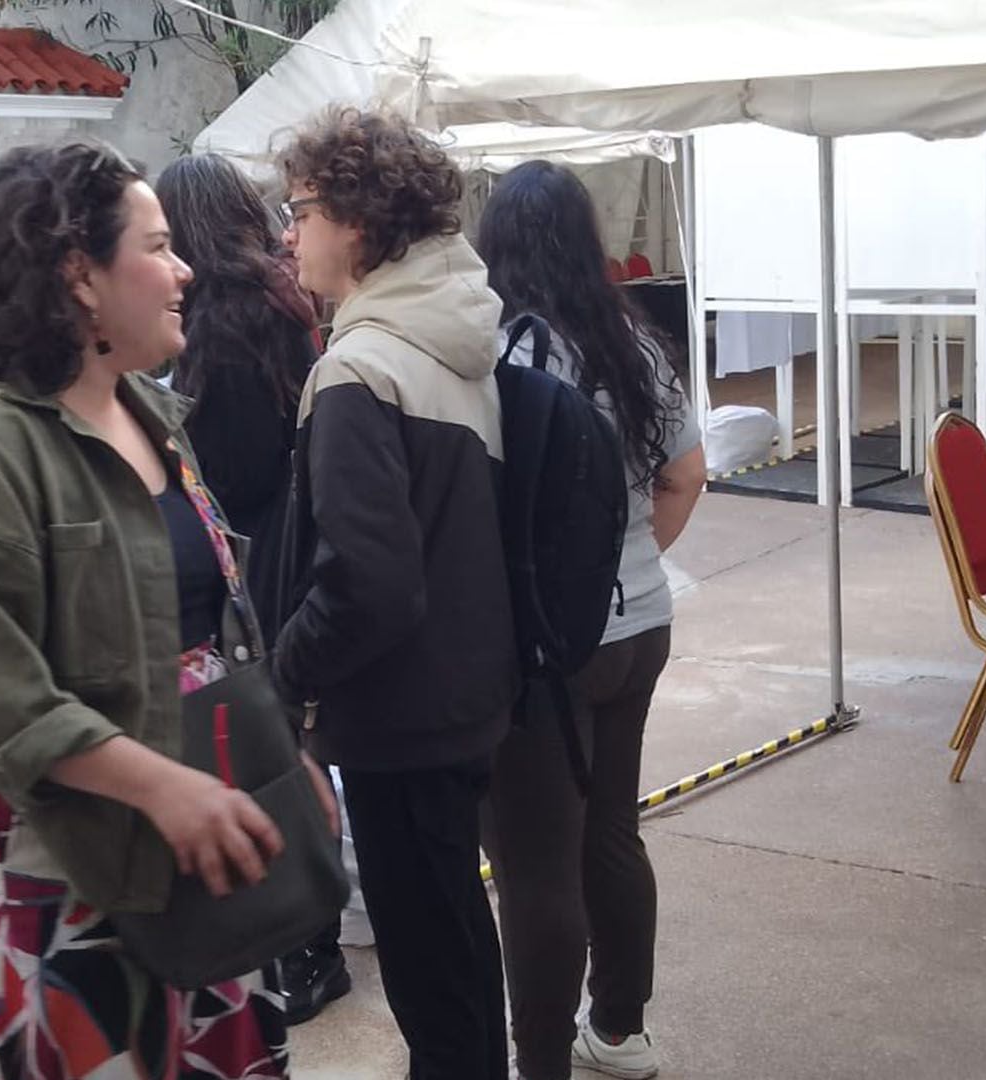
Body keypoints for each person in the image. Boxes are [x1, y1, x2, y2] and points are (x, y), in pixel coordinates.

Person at [0, 141, 329, 1079]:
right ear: (79, 275)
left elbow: (210, 632)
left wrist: (277, 753)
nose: (185, 269)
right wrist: (159, 787)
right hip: (72, 870)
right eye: (159, 246)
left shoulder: (156, 417)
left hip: (202, 847)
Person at [269, 106, 516, 1079]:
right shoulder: (448, 341)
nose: (288, 232)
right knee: (453, 950)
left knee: (431, 975)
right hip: (462, 704)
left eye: (301, 210)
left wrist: (285, 676)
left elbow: (371, 583)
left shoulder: (360, 368)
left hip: (397, 719)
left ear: (359, 224)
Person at [476, 161, 706, 1080]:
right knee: (611, 831)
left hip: (539, 645)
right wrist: (631, 553)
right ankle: (619, 1029)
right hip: (640, 621)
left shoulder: (494, 351)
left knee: (534, 863)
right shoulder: (633, 342)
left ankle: (541, 1065)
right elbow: (687, 474)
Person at [154, 151, 355, 1025]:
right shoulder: (281, 300)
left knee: (265, 747)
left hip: (256, 553)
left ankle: (308, 947)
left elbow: (228, 467)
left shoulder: (221, 325)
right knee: (289, 746)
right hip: (293, 538)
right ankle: (315, 933)